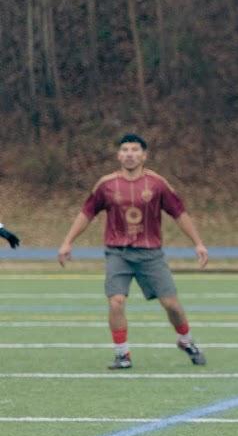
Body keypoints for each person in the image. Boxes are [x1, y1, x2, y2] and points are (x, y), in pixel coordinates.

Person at [57, 133, 208, 370]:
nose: (129, 154)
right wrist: (67, 242)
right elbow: (86, 213)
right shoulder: (106, 185)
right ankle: (122, 354)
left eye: (135, 150)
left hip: (151, 254)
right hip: (118, 253)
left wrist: (198, 243)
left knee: (171, 305)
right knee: (116, 302)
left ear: (144, 155)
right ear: (118, 155)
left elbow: (179, 212)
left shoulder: (157, 184)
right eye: (125, 149)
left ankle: (185, 340)